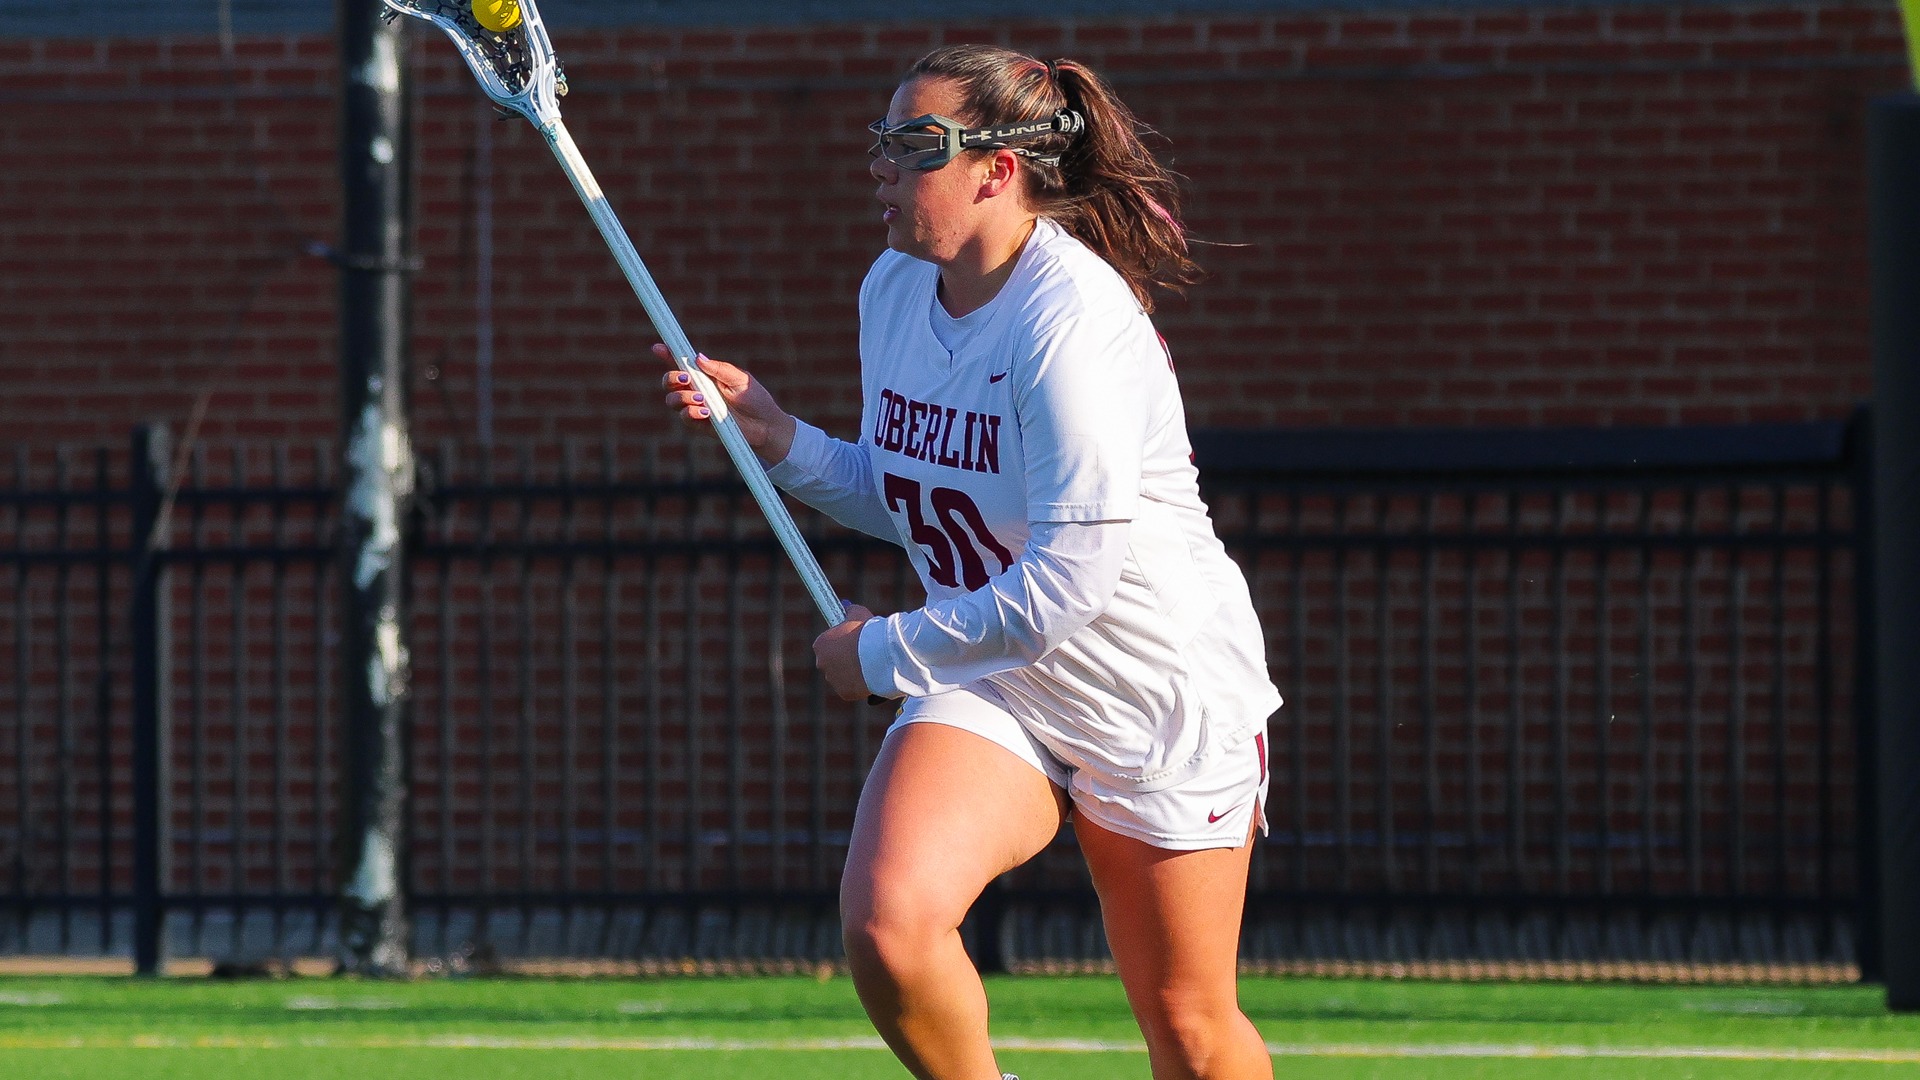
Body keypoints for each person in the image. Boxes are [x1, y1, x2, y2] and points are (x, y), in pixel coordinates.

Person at [657, 43, 1281, 1080]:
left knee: (1191, 1029)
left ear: (998, 171)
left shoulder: (1074, 324)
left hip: (1151, 696)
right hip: (1000, 678)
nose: (880, 164)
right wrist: (777, 435)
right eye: (882, 139)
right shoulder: (895, 289)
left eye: (914, 144)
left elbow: (1067, 585)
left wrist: (882, 654)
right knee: (890, 927)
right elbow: (917, 495)